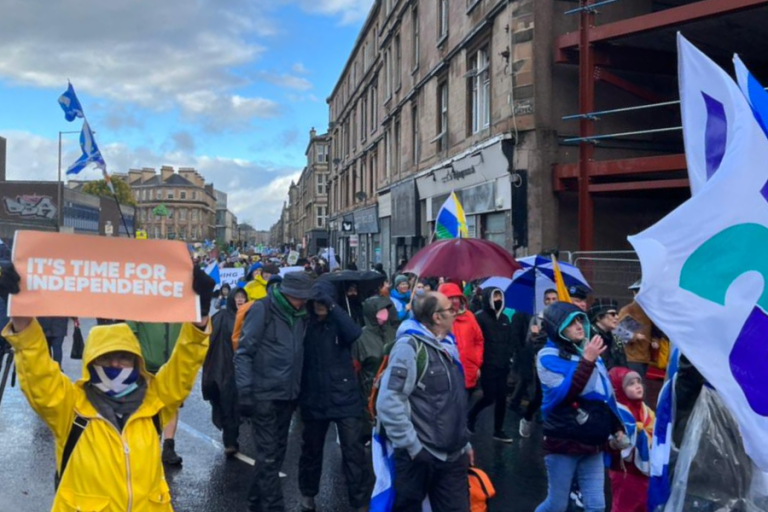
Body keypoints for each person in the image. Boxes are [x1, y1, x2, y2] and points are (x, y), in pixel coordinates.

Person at [0, 262, 215, 512]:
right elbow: (38, 371)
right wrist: (22, 321)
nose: (115, 364)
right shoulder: (69, 407)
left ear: (137, 361)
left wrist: (199, 318)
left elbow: (184, 364)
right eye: (105, 358)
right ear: (91, 362)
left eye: (123, 357)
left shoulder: (155, 400)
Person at [376, 292, 474, 512]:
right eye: (451, 309)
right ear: (437, 317)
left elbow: (454, 401)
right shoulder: (409, 347)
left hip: (453, 457)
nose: (455, 313)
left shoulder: (448, 345)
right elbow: (389, 401)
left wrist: (464, 442)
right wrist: (413, 447)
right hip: (420, 457)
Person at [534, 301, 626, 512]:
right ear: (558, 327)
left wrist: (616, 427)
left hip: (593, 441)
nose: (578, 326)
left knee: (596, 506)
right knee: (556, 505)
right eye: (571, 322)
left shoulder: (588, 352)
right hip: (564, 442)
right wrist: (587, 361)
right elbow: (565, 394)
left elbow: (603, 395)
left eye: (579, 320)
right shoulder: (547, 356)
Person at [234, 272, 315, 512]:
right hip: (263, 394)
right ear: (291, 294)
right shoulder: (263, 309)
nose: (305, 302)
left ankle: (254, 502)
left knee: (275, 453)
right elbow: (244, 353)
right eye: (302, 297)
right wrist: (245, 391)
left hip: (288, 395)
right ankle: (273, 507)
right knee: (269, 454)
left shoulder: (301, 315)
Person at [298, 281, 367, 512]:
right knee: (311, 450)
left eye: (324, 301)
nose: (320, 306)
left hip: (344, 397)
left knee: (353, 452)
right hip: (314, 397)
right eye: (317, 301)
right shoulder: (305, 324)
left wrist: (332, 306)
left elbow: (354, 333)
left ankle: (358, 501)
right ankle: (308, 494)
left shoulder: (340, 322)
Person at [202, 287, 248, 456]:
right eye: (237, 296)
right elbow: (210, 339)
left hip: (243, 368)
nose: (240, 299)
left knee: (239, 404)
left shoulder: (249, 317)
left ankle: (233, 438)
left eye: (243, 297)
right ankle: (230, 441)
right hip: (224, 368)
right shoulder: (221, 316)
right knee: (227, 403)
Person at [467, 287, 517, 442]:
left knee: (502, 398)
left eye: (499, 296)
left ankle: (498, 430)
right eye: (494, 296)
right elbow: (475, 341)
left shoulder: (504, 319)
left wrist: (509, 356)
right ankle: (471, 417)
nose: (497, 299)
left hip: (503, 365)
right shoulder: (479, 318)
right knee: (489, 397)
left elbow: (510, 340)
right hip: (487, 365)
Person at [608, 367, 655, 512]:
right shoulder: (615, 412)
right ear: (618, 389)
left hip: (644, 472)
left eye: (638, 382)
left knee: (643, 505)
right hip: (624, 471)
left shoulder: (646, 410)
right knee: (624, 506)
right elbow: (609, 438)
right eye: (631, 384)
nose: (637, 386)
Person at [352, 295, 397, 435]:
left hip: (393, 390)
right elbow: (355, 369)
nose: (384, 314)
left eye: (385, 310)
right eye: (379, 310)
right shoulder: (360, 338)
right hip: (370, 392)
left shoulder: (393, 332)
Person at [438, 283, 484, 394]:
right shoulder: (437, 319)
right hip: (445, 376)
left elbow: (478, 340)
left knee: (464, 408)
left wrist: (476, 364)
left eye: (456, 297)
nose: (454, 301)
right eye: (450, 298)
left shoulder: (469, 316)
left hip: (468, 372)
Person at [618, 281, 656, 379]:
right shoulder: (627, 310)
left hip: (646, 355)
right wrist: (635, 336)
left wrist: (655, 340)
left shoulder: (650, 310)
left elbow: (655, 330)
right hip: (631, 356)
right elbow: (618, 332)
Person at [589, 298, 627, 370]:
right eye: (612, 314)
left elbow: (623, 364)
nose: (617, 317)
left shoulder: (616, 338)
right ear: (599, 317)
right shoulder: (589, 336)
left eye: (617, 314)